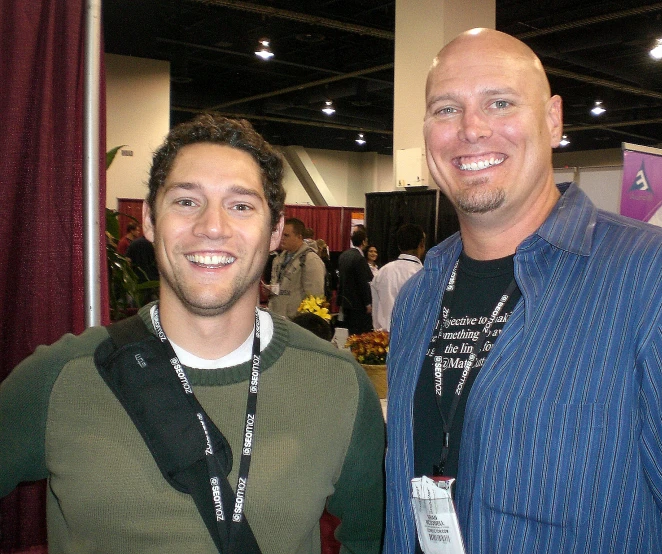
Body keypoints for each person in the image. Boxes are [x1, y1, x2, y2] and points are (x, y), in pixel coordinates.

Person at [384, 28, 662, 554]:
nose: (471, 129)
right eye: (446, 110)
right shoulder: (420, 296)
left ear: (553, 120)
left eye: (499, 102)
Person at [0, 114, 385, 554]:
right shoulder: (63, 377)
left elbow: (368, 539)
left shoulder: (337, 384)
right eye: (186, 201)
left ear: (275, 230)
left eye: (241, 206)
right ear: (148, 219)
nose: (212, 227)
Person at [267, 217, 325, 319]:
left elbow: (315, 297)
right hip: (277, 317)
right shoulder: (278, 259)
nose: (282, 238)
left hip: (296, 321)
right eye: (281, 235)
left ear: (299, 237)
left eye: (286, 235)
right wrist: (270, 290)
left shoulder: (310, 260)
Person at [370, 224, 425, 331]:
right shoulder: (426, 275)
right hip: (414, 340)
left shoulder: (382, 272)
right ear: (422, 244)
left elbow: (375, 313)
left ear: (399, 246)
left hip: (383, 340)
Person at [337, 228, 373, 336]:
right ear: (363, 242)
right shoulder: (359, 258)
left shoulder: (344, 255)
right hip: (357, 303)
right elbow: (363, 282)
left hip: (344, 300)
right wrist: (368, 303)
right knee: (358, 333)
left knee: (348, 332)